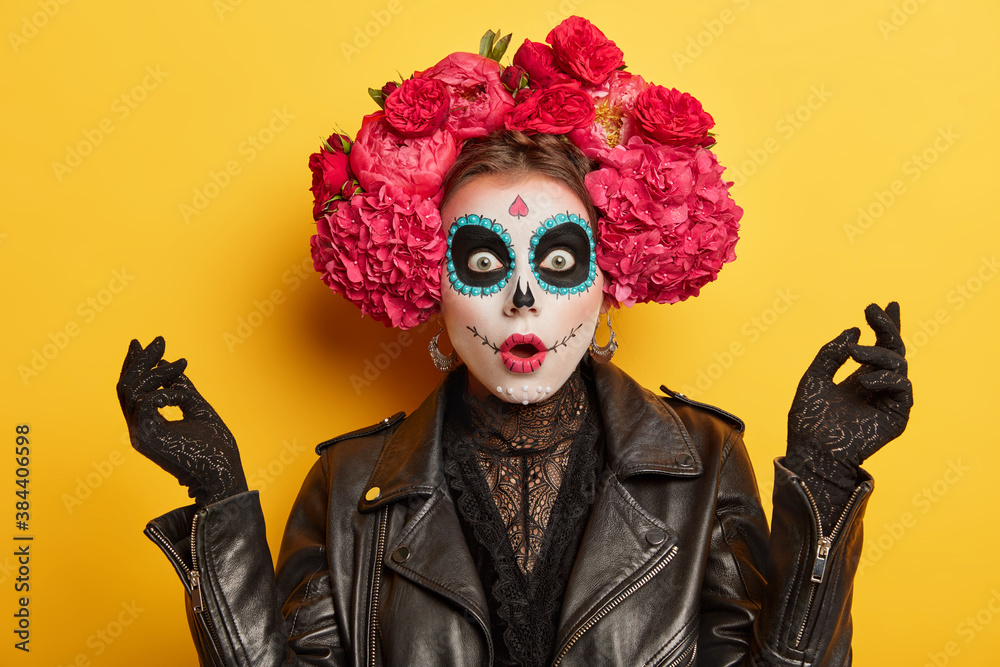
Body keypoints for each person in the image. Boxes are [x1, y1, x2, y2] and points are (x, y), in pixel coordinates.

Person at [116, 17, 912, 666]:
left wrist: (824, 483)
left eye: (559, 260)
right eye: (485, 260)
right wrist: (219, 503)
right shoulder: (349, 486)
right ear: (430, 278)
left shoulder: (703, 464)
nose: (523, 295)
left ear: (610, 275)